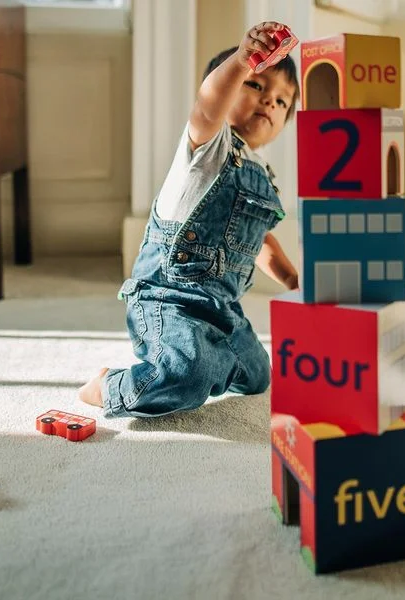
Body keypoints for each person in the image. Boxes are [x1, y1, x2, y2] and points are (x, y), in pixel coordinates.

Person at [79, 21, 300, 417]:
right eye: (256, 85)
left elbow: (259, 241)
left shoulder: (264, 175)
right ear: (228, 86)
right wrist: (243, 60)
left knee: (259, 375)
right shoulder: (209, 144)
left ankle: (206, 353)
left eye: (283, 102)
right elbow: (207, 105)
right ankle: (109, 385)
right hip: (169, 298)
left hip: (222, 306)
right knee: (187, 374)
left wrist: (293, 280)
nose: (270, 102)